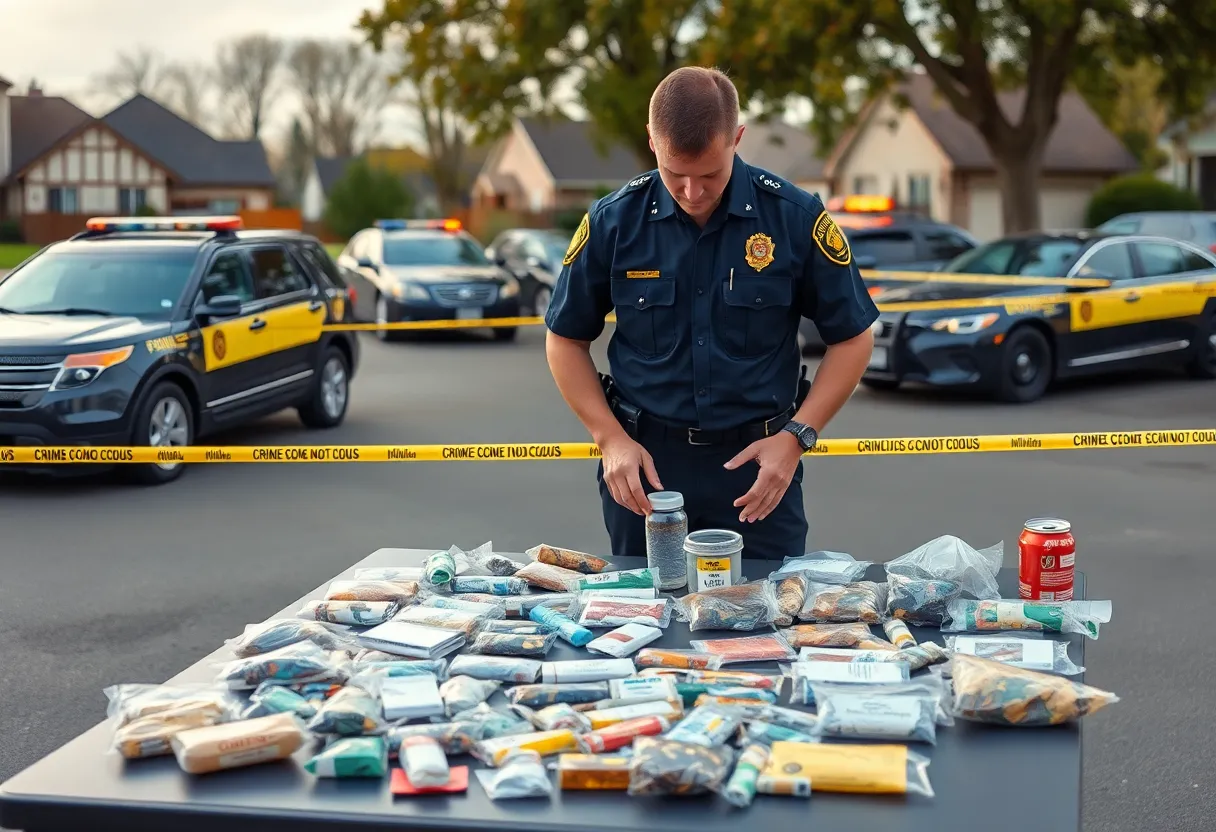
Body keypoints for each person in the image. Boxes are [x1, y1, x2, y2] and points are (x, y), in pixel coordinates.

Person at [543, 65, 878, 561]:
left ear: (737, 138)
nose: (692, 192)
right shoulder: (615, 222)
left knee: (766, 621)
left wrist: (797, 437)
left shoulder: (794, 218)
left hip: (759, 465)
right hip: (645, 466)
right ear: (652, 141)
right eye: (675, 174)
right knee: (648, 620)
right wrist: (609, 438)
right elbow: (564, 340)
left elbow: (853, 337)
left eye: (710, 175)